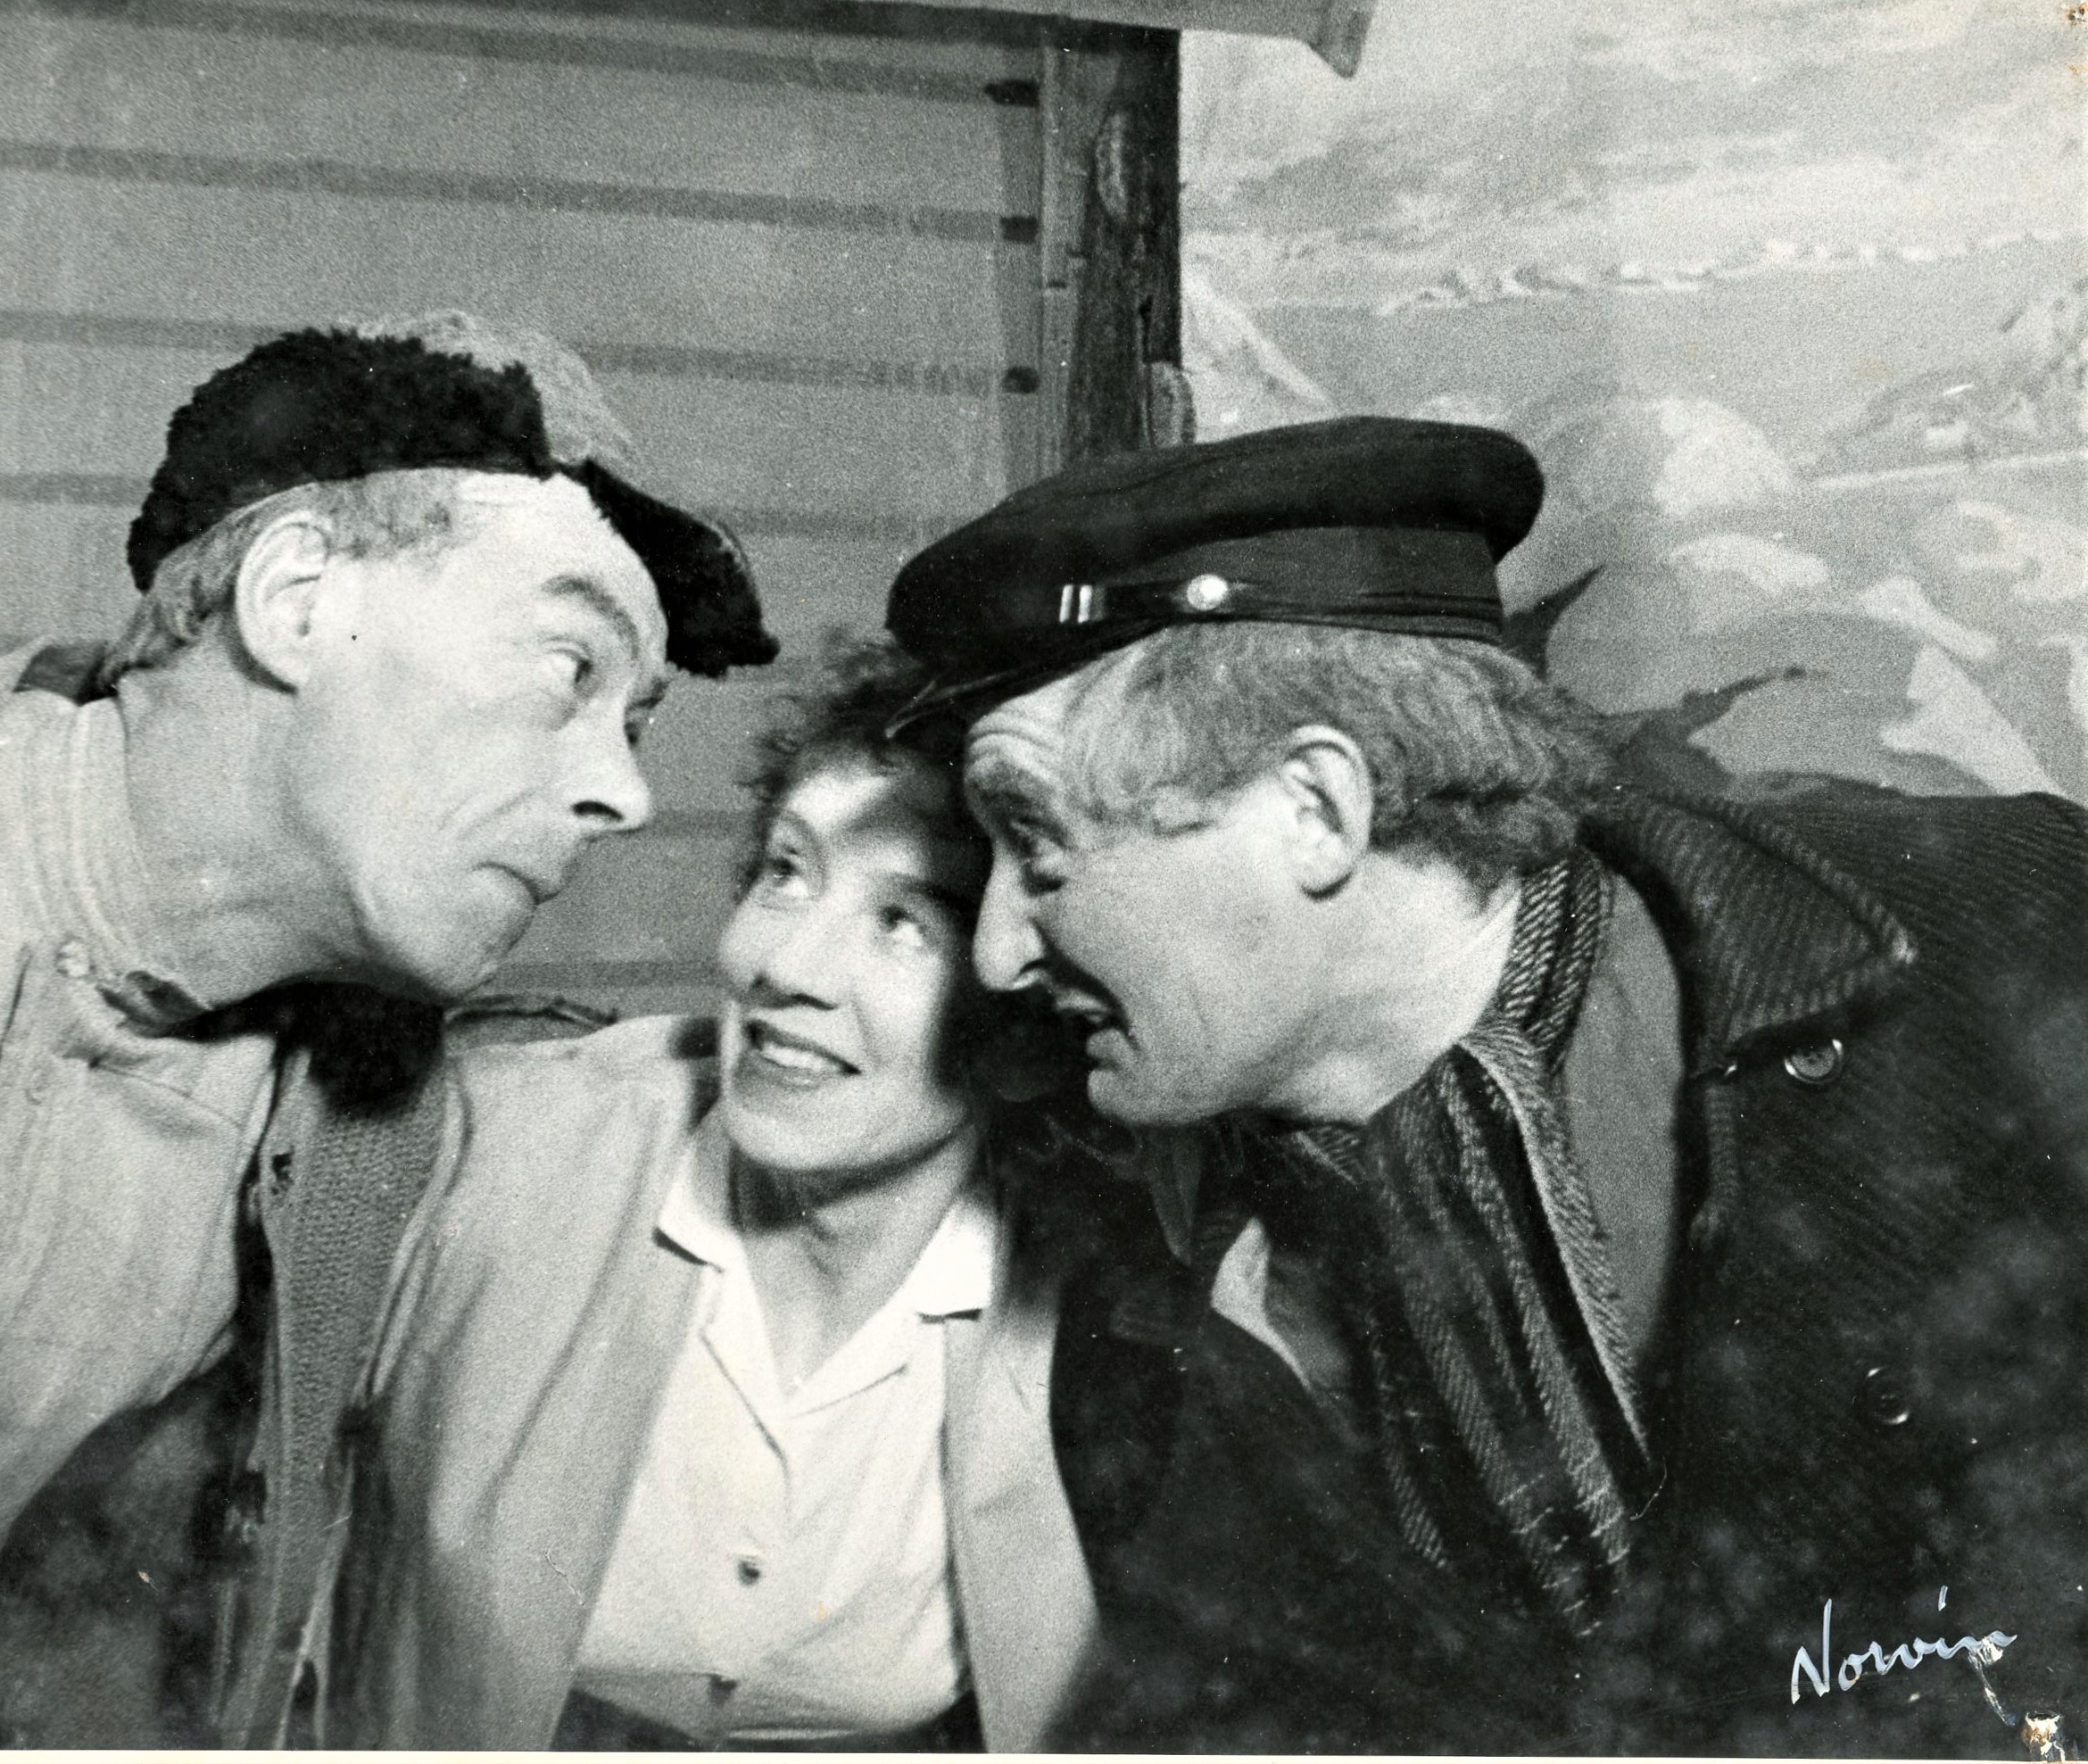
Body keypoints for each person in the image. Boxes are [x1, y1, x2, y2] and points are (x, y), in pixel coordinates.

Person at [882, 417, 2088, 1754]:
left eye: (1038, 845)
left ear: (1313, 810)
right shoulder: (1154, 1291)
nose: (995, 951)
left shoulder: (2012, 932)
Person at [0, 313, 776, 1747]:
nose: (624, 792)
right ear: (294, 598)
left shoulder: (344, 1135)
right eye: (568, 670)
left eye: (637, 724)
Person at [327, 641, 1105, 1751]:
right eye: (786, 871)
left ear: (1031, 1010)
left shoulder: (1102, 1295)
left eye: (905, 921)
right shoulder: (488, 1151)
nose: (785, 965)